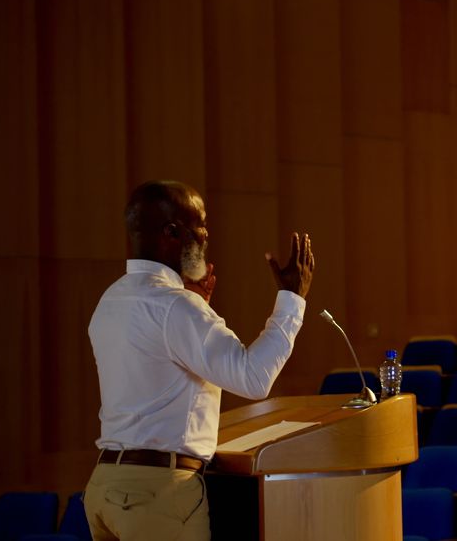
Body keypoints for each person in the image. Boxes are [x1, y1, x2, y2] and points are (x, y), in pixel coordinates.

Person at [83, 180, 314, 540]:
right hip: (159, 495)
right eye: (200, 224)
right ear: (172, 231)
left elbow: (158, 366)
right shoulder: (175, 305)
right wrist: (290, 299)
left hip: (105, 486)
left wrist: (196, 307)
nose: (206, 235)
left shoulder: (111, 300)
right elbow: (252, 378)